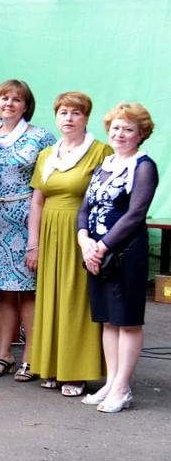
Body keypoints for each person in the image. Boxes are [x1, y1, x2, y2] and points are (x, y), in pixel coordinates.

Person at [28, 91, 111, 397]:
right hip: (50, 233)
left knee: (77, 300)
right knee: (50, 297)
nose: (69, 118)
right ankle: (51, 366)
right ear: (56, 117)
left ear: (86, 118)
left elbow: (106, 200)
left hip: (82, 232)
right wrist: (33, 244)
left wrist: (97, 241)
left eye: (76, 113)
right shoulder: (47, 155)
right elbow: (37, 201)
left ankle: (76, 372)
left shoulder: (100, 152)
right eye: (63, 112)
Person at [77, 103, 158, 413]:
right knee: (108, 320)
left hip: (125, 253)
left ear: (140, 135)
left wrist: (102, 246)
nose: (120, 134)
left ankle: (123, 387)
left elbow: (136, 213)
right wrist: (84, 240)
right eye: (116, 128)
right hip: (96, 252)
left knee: (127, 321)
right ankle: (110, 382)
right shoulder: (106, 163)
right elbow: (85, 207)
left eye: (128, 129)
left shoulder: (143, 166)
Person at [0, 80, 55, 381]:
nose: (8, 104)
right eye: (3, 98)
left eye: (16, 99)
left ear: (26, 105)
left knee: (28, 291)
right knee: (5, 292)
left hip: (27, 223)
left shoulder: (41, 137)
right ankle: (4, 354)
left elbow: (51, 181)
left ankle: (31, 356)